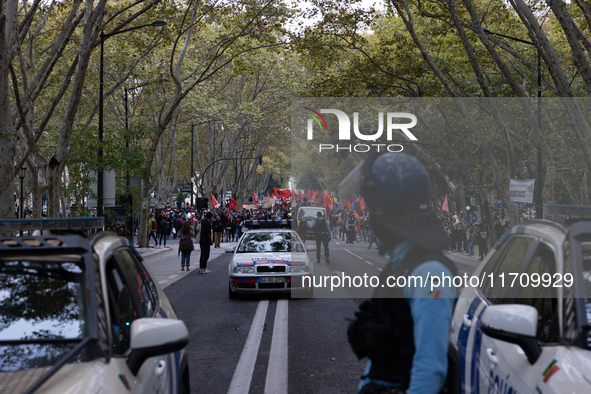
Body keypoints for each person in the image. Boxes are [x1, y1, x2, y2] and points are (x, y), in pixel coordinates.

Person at [342, 153, 457, 394]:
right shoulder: (399, 263)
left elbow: (429, 366)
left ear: (389, 211)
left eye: (372, 209)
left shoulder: (430, 273)